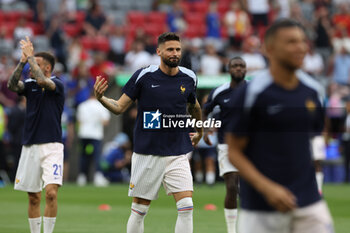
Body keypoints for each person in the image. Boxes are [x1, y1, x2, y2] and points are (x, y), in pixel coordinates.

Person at [226, 19, 334, 233]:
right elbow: (234, 152)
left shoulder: (313, 91)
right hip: (261, 208)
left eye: (303, 41)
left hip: (309, 203)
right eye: (291, 42)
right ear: (269, 49)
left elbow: (320, 132)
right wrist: (268, 188)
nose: (301, 47)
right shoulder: (251, 94)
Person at [94, 32, 203, 233]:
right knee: (139, 209)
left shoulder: (189, 77)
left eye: (178, 49)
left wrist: (200, 131)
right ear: (158, 51)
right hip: (147, 152)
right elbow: (119, 107)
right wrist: (101, 99)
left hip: (177, 152)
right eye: (170, 49)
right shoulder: (143, 76)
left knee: (186, 206)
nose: (175, 53)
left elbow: (194, 106)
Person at [7, 36, 65, 233]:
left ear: (47, 67)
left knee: (50, 194)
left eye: (36, 63)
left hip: (52, 146)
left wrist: (31, 56)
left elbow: (43, 80)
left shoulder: (57, 84)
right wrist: (23, 60)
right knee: (33, 197)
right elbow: (12, 86)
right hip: (30, 145)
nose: (31, 67)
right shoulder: (30, 85)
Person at [203, 57, 247, 233]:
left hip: (251, 147)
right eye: (234, 66)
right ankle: (231, 230)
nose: (238, 68)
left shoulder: (254, 91)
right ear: (228, 69)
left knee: (249, 190)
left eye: (241, 66)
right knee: (231, 185)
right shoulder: (219, 92)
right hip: (226, 145)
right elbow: (204, 111)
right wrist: (205, 130)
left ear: (246, 69)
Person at [76, 93, 110, 187]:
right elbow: (105, 122)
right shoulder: (101, 106)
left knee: (84, 156)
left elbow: (79, 121)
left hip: (84, 134)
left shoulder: (82, 106)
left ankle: (82, 177)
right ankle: (98, 177)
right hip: (96, 135)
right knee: (97, 156)